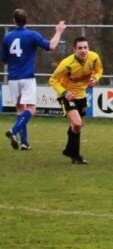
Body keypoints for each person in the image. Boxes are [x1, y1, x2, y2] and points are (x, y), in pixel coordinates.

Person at [2, 9, 66, 151]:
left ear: (14, 21)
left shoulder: (7, 37)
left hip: (13, 78)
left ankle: (24, 143)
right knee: (31, 108)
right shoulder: (32, 35)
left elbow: (4, 59)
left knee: (20, 109)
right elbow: (51, 46)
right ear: (26, 20)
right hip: (27, 77)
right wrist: (58, 31)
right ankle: (13, 130)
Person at [48, 36, 102, 165]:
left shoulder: (94, 57)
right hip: (67, 96)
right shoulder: (66, 64)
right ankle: (76, 156)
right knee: (77, 123)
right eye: (80, 48)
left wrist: (95, 78)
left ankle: (69, 151)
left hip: (81, 95)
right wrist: (65, 93)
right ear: (74, 50)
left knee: (77, 127)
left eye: (85, 47)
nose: (83, 50)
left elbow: (99, 70)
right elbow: (52, 80)